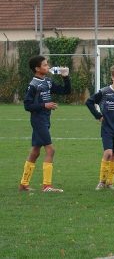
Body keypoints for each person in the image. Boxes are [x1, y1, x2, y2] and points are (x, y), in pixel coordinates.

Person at [19, 55, 71, 192]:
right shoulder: (33, 85)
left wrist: (65, 77)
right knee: (50, 150)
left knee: (35, 152)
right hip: (38, 120)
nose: (48, 67)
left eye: (47, 64)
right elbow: (27, 106)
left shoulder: (47, 82)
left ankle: (24, 184)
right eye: (45, 65)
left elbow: (66, 91)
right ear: (37, 68)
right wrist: (45, 105)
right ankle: (47, 186)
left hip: (45, 119)